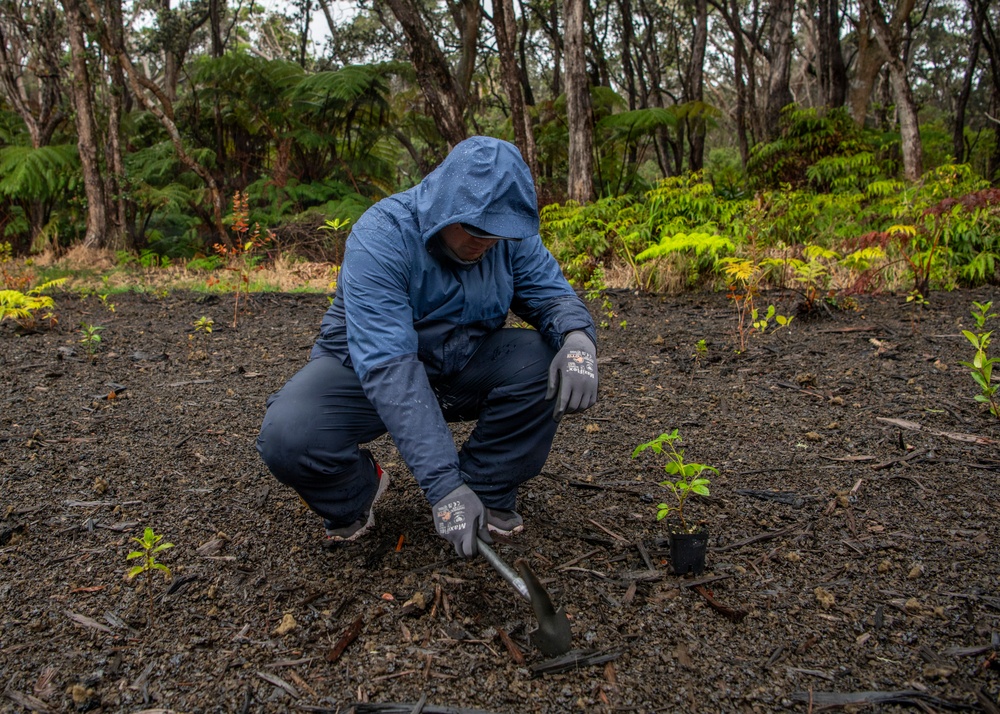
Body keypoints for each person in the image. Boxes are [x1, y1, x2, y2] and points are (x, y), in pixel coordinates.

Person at [256, 136, 598, 558]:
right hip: (366, 372)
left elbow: (551, 296)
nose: (484, 243)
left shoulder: (509, 237)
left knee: (546, 357)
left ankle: (486, 487)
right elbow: (388, 365)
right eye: (473, 229)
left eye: (496, 234)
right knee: (290, 434)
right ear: (444, 205)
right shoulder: (382, 236)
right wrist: (442, 484)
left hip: (462, 363)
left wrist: (577, 337)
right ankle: (354, 492)